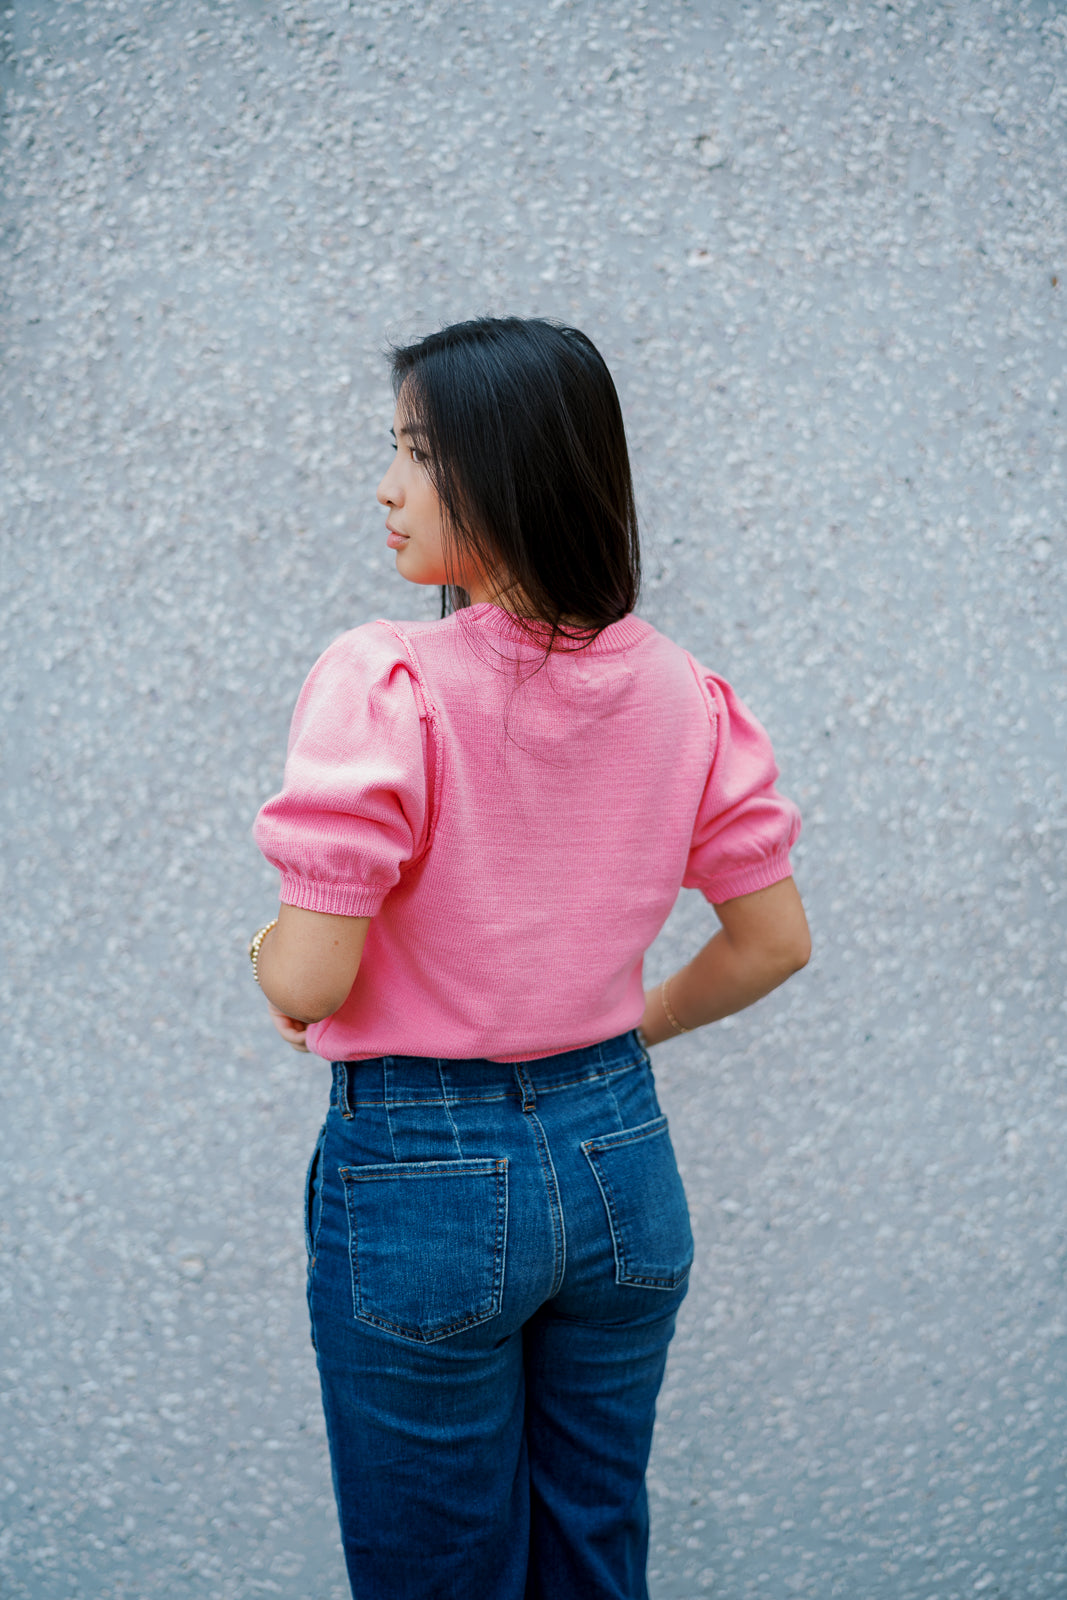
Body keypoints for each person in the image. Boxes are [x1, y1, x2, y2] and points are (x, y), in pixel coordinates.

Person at [248, 316, 811, 1600]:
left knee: (440, 1580)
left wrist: (266, 950)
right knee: (594, 1553)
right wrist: (629, 1024)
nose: (384, 486)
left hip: (423, 1181)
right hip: (623, 1161)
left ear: (502, 468)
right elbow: (773, 940)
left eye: (414, 452)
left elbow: (307, 979)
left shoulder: (385, 675)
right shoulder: (686, 693)